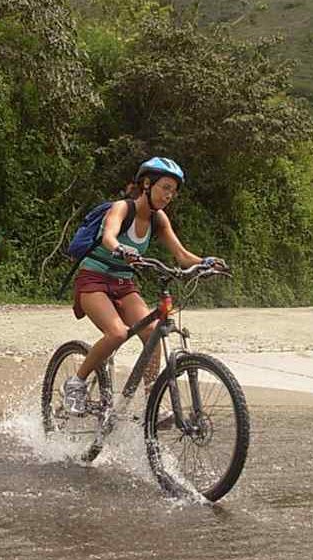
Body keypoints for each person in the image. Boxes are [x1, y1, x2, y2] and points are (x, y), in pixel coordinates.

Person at [64, 157, 225, 415]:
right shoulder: (122, 208)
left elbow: (182, 256)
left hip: (124, 283)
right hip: (93, 279)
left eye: (173, 190)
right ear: (147, 184)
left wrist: (206, 263)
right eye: (165, 187)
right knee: (116, 333)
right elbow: (108, 237)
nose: (169, 195)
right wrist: (120, 249)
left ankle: (153, 404)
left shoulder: (158, 220)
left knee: (152, 333)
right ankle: (76, 383)